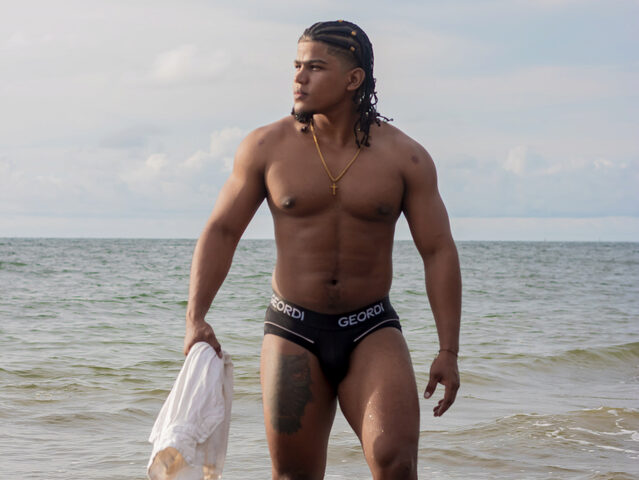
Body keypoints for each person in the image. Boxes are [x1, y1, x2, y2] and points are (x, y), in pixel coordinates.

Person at [183, 20, 461, 480]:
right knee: (294, 475)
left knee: (396, 462)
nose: (299, 77)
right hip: (293, 327)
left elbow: (438, 251)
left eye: (314, 67)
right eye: (296, 66)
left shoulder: (405, 157)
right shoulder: (266, 147)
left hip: (370, 327)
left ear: (353, 79)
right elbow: (222, 230)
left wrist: (448, 350)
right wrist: (196, 317)